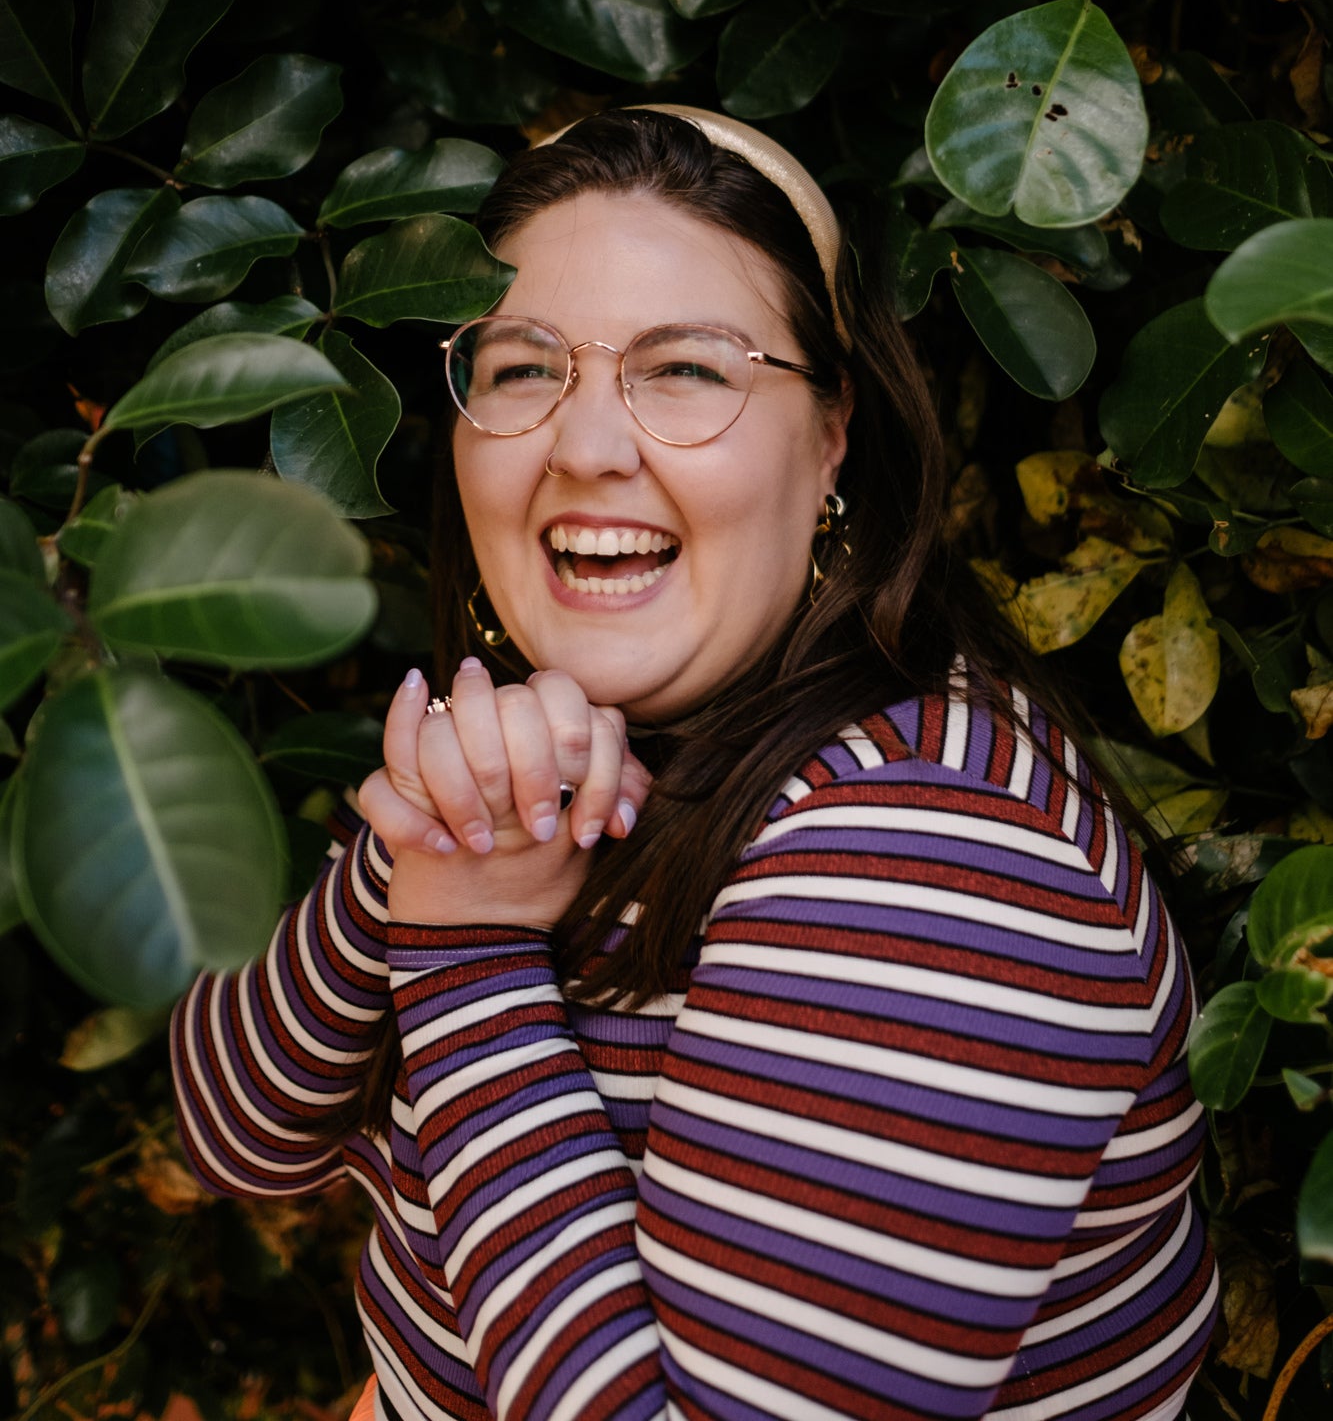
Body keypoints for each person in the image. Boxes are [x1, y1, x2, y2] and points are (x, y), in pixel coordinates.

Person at [171, 105, 1218, 1421]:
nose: (586, 445)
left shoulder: (934, 858)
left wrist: (468, 957)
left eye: (685, 370)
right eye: (519, 368)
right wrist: (418, 849)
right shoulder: (553, 755)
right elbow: (236, 1131)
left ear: (831, 432)